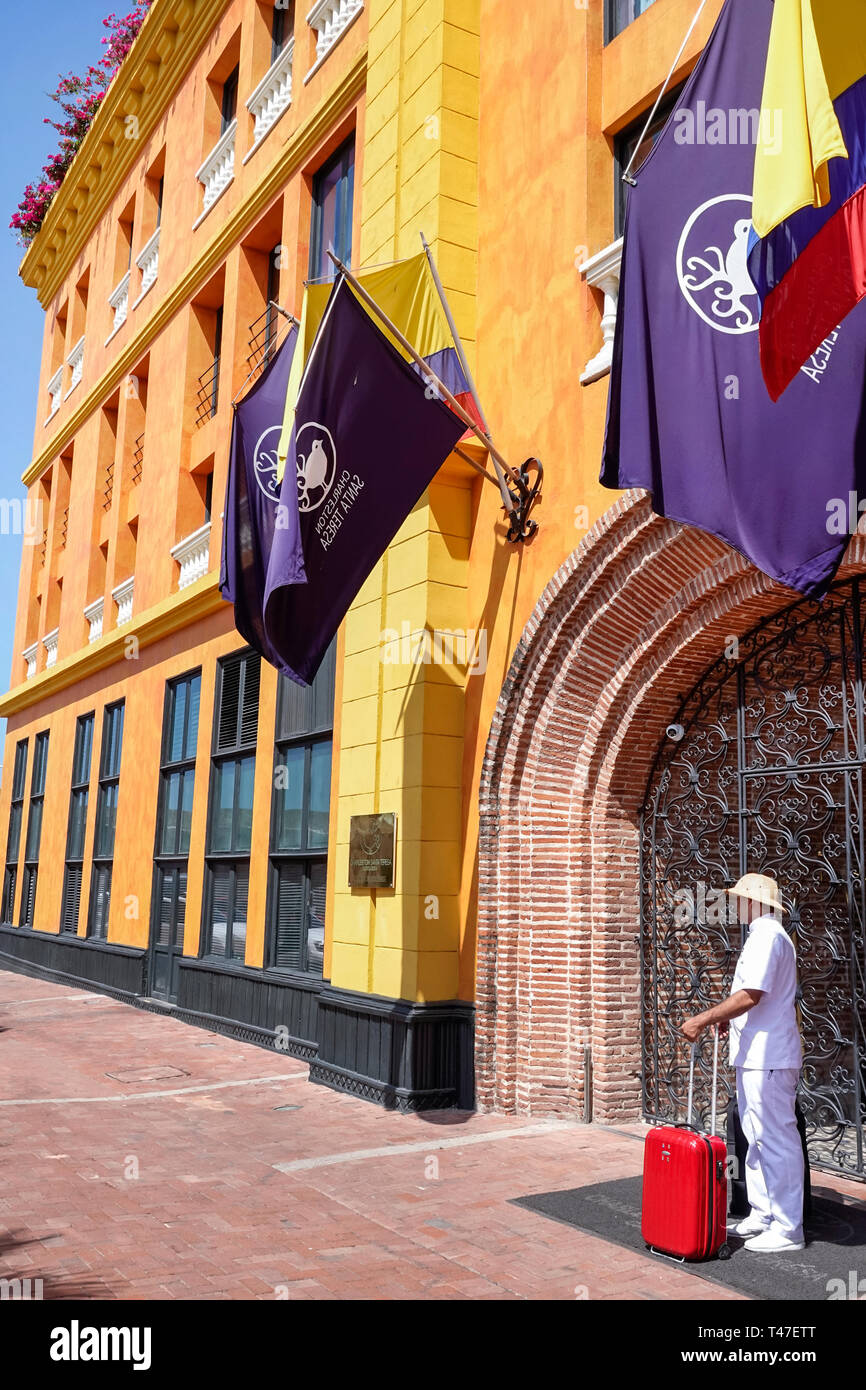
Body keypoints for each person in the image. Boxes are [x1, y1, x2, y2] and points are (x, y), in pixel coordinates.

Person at [682, 873, 805, 1253]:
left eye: (738, 898)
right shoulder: (765, 936)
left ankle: (788, 1228)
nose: (734, 905)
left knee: (775, 1138)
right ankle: (764, 1213)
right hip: (760, 1054)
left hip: (769, 1055)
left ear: (754, 901)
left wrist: (704, 1018)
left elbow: (751, 994)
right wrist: (727, 1019)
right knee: (757, 1134)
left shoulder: (767, 937)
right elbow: (752, 998)